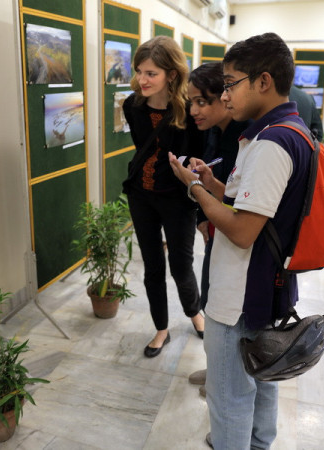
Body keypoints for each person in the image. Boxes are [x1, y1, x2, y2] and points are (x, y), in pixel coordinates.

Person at [169, 32, 311, 449]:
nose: (225, 95)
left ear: (263, 81)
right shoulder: (292, 130)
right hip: (266, 286)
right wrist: (213, 184)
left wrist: (194, 188)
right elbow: (258, 210)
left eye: (231, 83)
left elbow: (244, 231)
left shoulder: (272, 143)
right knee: (261, 379)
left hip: (240, 295)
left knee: (229, 396)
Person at [122, 36, 205, 358]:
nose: (142, 80)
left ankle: (194, 313)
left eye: (151, 73)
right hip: (141, 196)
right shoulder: (133, 105)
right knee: (152, 266)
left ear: (172, 74)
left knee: (181, 265)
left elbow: (195, 156)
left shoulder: (189, 109)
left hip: (177, 199)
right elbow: (141, 148)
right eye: (139, 71)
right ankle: (161, 329)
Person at [185, 62, 251, 393]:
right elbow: (215, 181)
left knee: (229, 316)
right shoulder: (214, 131)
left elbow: (239, 204)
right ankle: (215, 371)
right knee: (211, 301)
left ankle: (224, 380)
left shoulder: (249, 137)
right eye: (191, 102)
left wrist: (197, 187)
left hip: (237, 237)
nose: (194, 110)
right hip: (217, 230)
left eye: (201, 101)